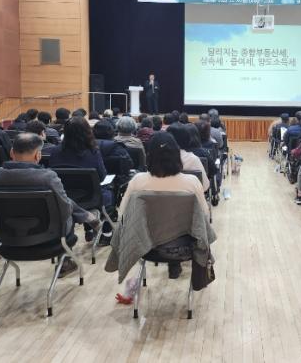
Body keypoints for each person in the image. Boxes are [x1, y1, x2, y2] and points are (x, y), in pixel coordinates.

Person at [0, 133, 99, 277]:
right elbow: (65, 211)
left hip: (7, 239)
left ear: (11, 152)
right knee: (67, 208)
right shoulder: (48, 177)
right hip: (49, 238)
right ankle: (67, 258)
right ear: (38, 155)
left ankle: (89, 218)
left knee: (66, 203)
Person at [117, 132, 209, 280]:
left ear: (149, 155)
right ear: (177, 155)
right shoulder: (192, 182)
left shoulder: (138, 181)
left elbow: (123, 215)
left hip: (145, 247)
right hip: (185, 247)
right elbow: (204, 218)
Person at [49, 117, 110, 244]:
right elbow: (102, 176)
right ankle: (103, 231)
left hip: (62, 197)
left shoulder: (54, 151)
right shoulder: (93, 152)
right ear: (87, 131)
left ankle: (90, 226)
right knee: (109, 195)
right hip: (90, 198)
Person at [166, 123, 210, 192]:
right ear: (187, 139)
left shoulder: (158, 159)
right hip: (189, 197)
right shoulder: (193, 159)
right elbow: (204, 186)